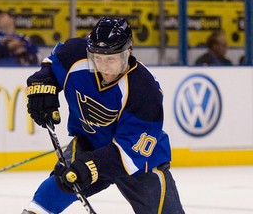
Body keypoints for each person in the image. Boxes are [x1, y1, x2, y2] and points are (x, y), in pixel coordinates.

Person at [23, 17, 185, 214]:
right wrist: (42, 85)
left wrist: (91, 167)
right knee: (59, 186)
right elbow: (51, 66)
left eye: (111, 59)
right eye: (97, 58)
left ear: (128, 52)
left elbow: (129, 154)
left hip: (141, 164)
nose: (104, 67)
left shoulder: (144, 90)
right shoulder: (75, 55)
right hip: (89, 144)